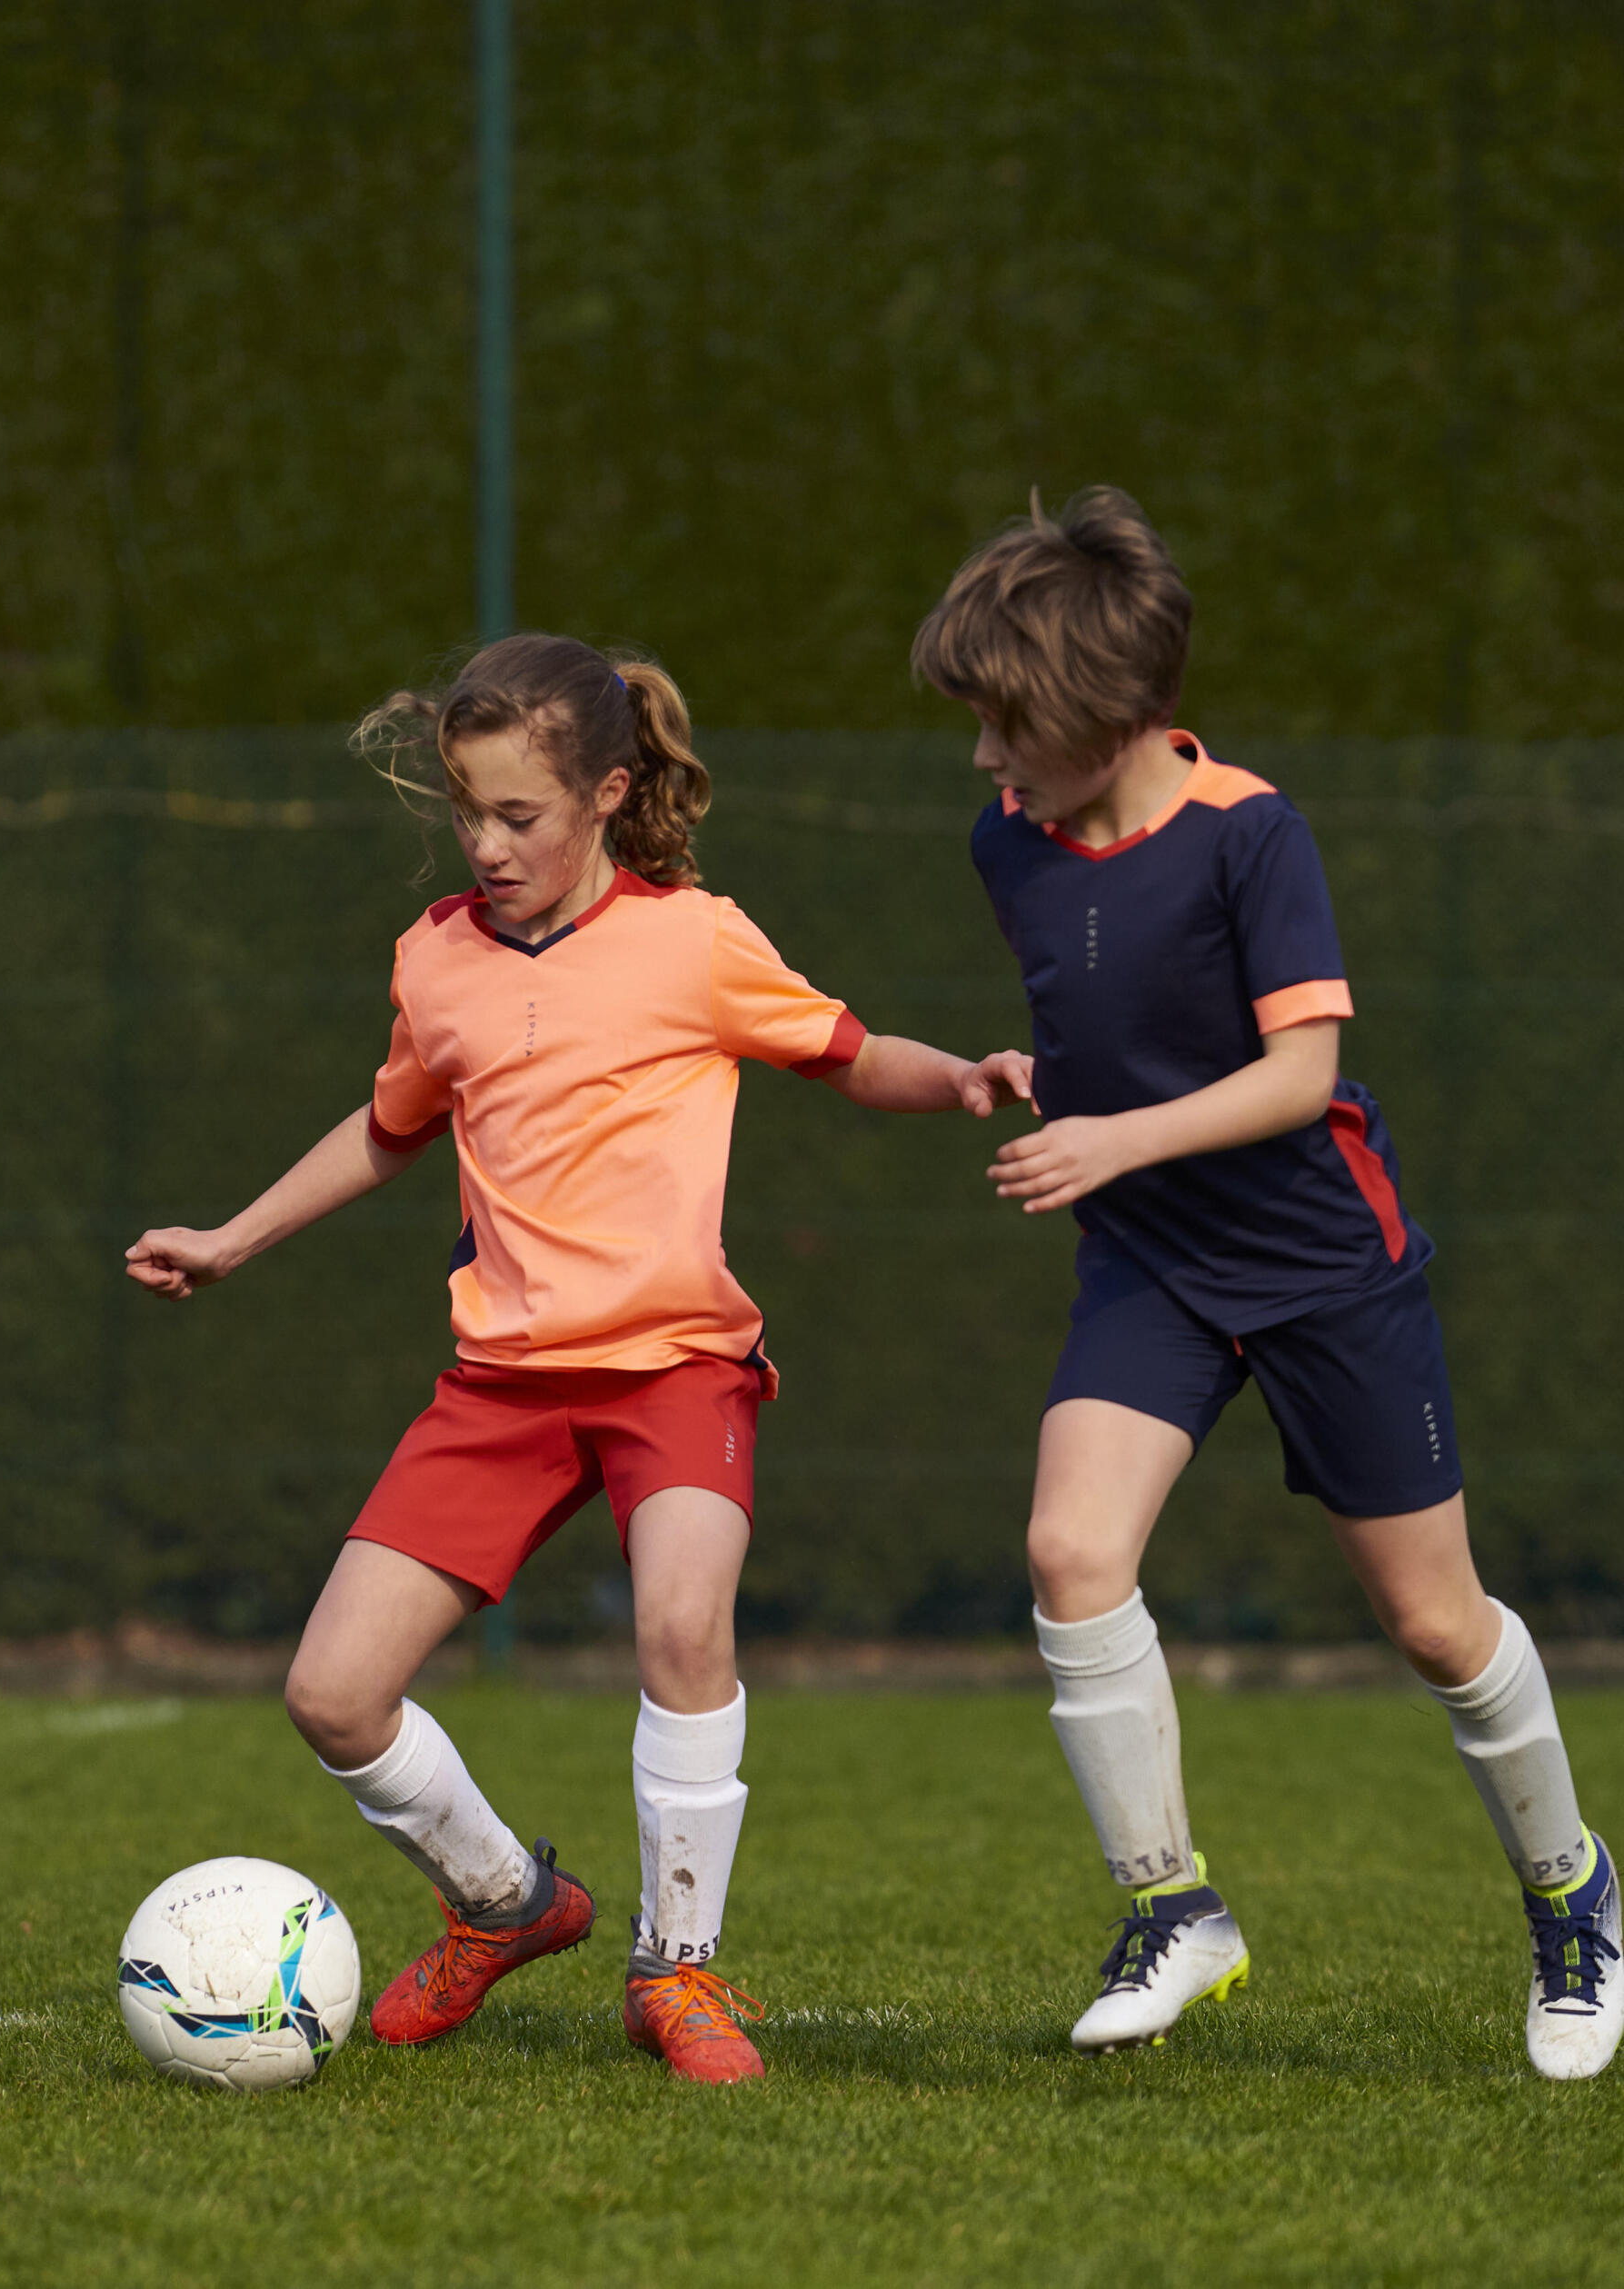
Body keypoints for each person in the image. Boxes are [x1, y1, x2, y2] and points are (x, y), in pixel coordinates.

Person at [125, 633, 1030, 2085]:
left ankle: (676, 1972)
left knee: (682, 1628)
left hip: (676, 1367)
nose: (484, 844)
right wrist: (235, 1237)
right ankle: (505, 1905)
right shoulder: (438, 961)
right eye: (467, 811)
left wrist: (967, 1075)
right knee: (333, 1696)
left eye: (517, 816)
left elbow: (847, 1049)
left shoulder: (694, 941)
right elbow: (391, 1127)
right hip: (503, 1386)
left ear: (607, 794)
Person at [912, 488, 1620, 2081]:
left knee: (1437, 1627)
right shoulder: (1005, 844)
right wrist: (1048, 1081)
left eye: (1007, 724)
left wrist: (1112, 1138)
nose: (983, 760)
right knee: (1068, 1549)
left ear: (1108, 709)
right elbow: (1117, 1020)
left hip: (1321, 1267)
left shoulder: (1253, 832)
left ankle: (1574, 1894)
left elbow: (1302, 1076)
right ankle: (1177, 1911)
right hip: (1154, 1260)